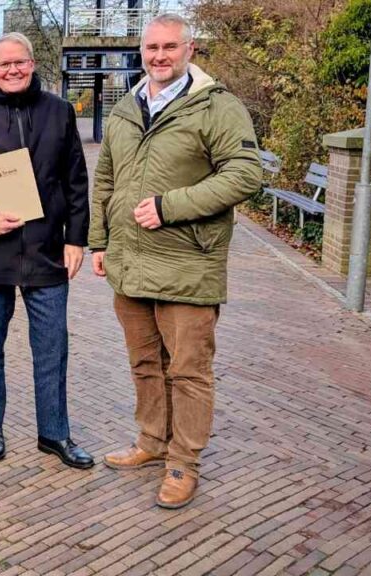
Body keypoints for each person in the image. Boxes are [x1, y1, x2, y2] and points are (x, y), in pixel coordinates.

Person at [90, 14, 263, 508]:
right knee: (145, 363)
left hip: (188, 264)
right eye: (151, 48)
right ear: (141, 52)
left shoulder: (217, 107)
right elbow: (107, 180)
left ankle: (183, 462)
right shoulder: (126, 107)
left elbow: (246, 174)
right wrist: (99, 241)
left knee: (188, 370)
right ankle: (151, 441)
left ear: (190, 50)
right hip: (130, 264)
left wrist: (171, 206)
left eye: (170, 47)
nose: (159, 56)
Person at [0, 32, 93, 468]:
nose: (12, 70)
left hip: (47, 250)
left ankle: (55, 433)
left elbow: (76, 181)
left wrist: (75, 238)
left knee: (52, 348)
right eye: (3, 64)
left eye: (19, 63)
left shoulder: (59, 112)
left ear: (32, 64)